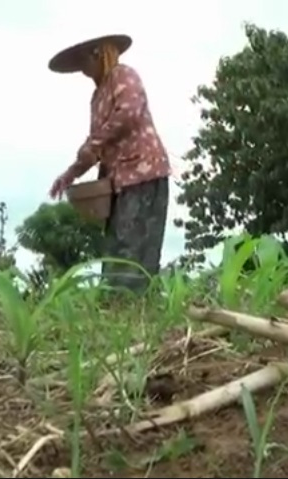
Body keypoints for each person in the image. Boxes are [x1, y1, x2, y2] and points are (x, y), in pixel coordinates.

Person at [47, 34, 171, 293]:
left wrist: (92, 145)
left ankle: (134, 303)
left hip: (142, 173)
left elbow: (128, 112)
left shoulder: (123, 76)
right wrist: (70, 174)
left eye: (84, 59)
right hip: (117, 181)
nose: (83, 68)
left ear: (98, 54)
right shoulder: (97, 96)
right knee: (115, 248)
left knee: (134, 246)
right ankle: (116, 302)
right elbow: (97, 145)